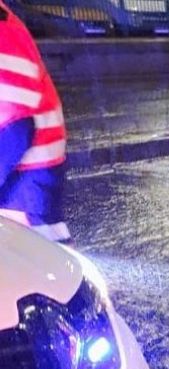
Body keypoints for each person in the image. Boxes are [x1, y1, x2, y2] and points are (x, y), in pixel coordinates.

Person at [0, 0, 68, 241]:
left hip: (22, 198)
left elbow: (14, 129)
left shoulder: (2, 29)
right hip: (26, 194)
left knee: (41, 271)